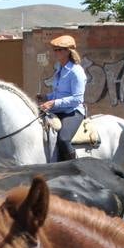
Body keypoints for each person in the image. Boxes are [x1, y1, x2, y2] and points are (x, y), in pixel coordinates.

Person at [37, 34, 86, 162]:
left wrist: (53, 103)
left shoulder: (76, 71)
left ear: (68, 51)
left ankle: (74, 167)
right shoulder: (60, 69)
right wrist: (46, 97)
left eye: (59, 50)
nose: (56, 52)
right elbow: (60, 93)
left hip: (73, 112)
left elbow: (77, 99)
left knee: (64, 139)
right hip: (58, 110)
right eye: (55, 50)